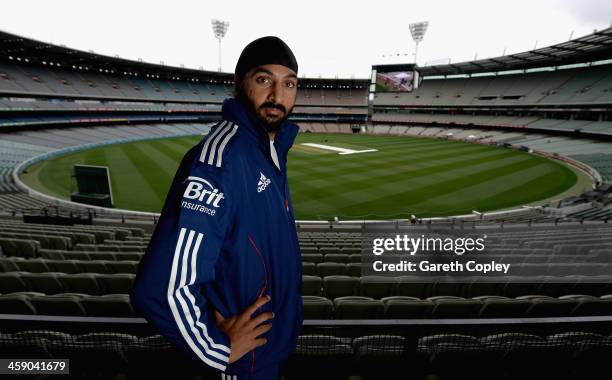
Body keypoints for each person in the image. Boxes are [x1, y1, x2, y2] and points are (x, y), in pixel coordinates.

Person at [131, 36, 304, 380]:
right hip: (241, 366)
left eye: (289, 84)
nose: (277, 96)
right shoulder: (220, 160)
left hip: (269, 354)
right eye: (263, 79)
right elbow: (162, 289)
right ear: (239, 82)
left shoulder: (270, 150)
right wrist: (217, 351)